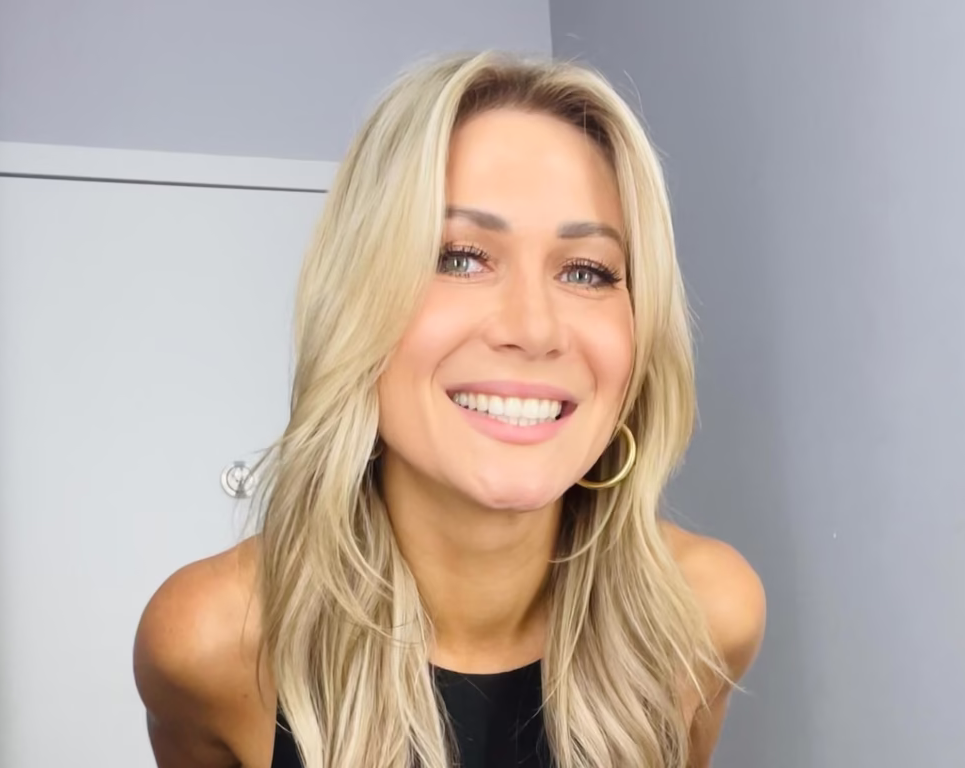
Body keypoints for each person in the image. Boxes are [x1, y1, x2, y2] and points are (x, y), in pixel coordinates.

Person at [133, 51, 766, 768]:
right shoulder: (209, 642)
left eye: (587, 270)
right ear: (357, 300)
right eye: (460, 258)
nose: (533, 328)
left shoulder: (706, 614)